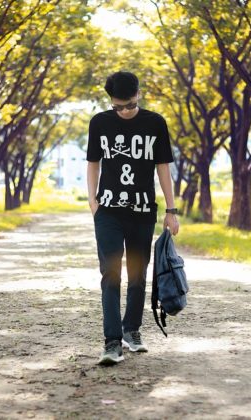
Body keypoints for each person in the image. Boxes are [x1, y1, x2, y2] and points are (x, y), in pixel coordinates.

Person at [86, 71, 179, 365]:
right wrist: (93, 202)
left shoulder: (155, 123)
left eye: (128, 105)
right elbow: (93, 164)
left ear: (138, 94)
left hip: (142, 212)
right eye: (117, 107)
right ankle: (111, 341)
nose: (124, 112)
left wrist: (171, 210)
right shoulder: (99, 123)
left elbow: (163, 168)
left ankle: (132, 331)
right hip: (109, 213)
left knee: (137, 276)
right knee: (110, 274)